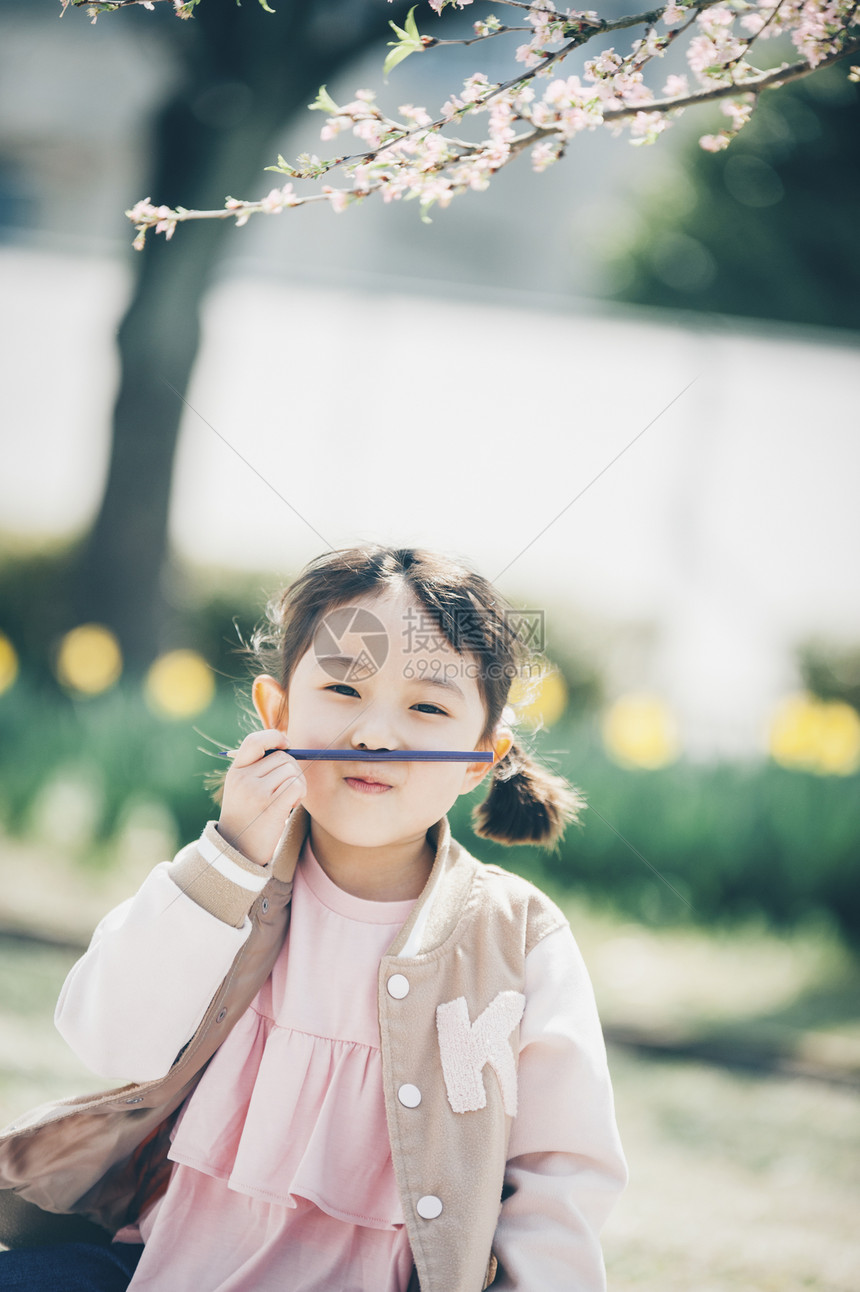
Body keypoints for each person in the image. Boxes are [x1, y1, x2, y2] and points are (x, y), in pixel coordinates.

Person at [0, 544, 628, 1291]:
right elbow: (111, 1041)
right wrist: (228, 859)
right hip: (154, 1268)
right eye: (342, 690)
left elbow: (561, 1177)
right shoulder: (224, 882)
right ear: (277, 713)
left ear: (476, 762)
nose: (374, 735)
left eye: (427, 707)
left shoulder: (518, 938)